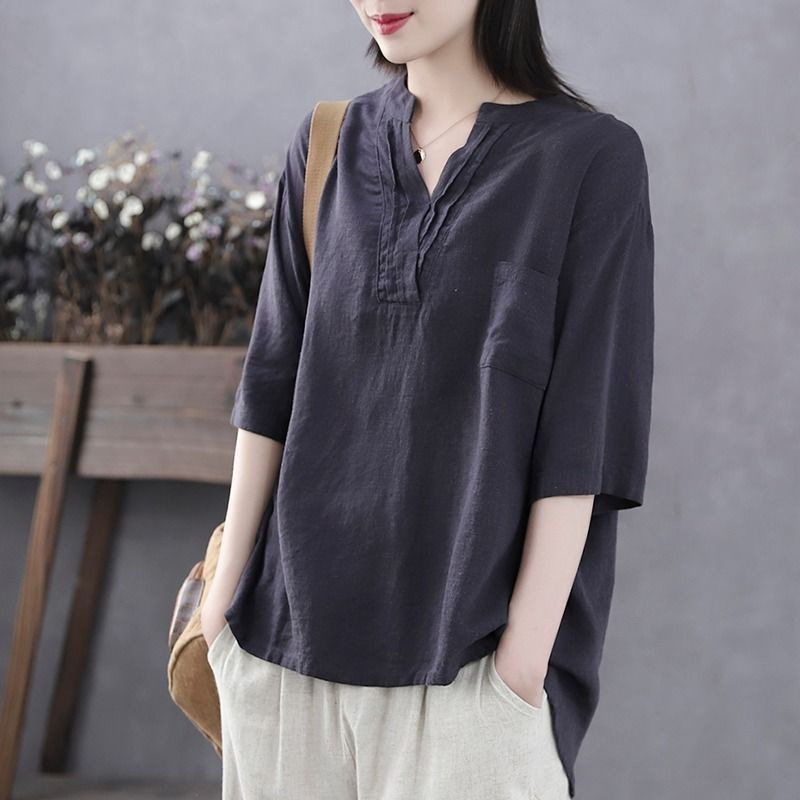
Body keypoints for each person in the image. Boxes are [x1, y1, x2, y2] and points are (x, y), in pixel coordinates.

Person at [201, 1, 655, 798]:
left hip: (471, 673)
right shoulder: (327, 144)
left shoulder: (589, 159)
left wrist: (519, 668)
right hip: (281, 658)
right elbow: (272, 381)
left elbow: (587, 432)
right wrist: (221, 613)